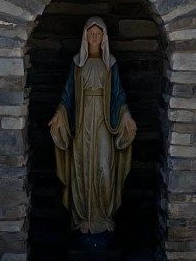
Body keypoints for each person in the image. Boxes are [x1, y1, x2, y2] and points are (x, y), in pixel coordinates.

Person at [47, 17, 137, 235]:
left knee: (104, 168)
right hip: (82, 122)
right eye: (91, 34)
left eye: (98, 34)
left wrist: (126, 116)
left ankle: (103, 216)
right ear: (85, 37)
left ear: (104, 38)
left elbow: (118, 95)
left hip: (104, 123)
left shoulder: (111, 64)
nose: (94, 38)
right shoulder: (77, 63)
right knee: (81, 168)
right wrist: (59, 114)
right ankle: (83, 218)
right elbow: (68, 94)